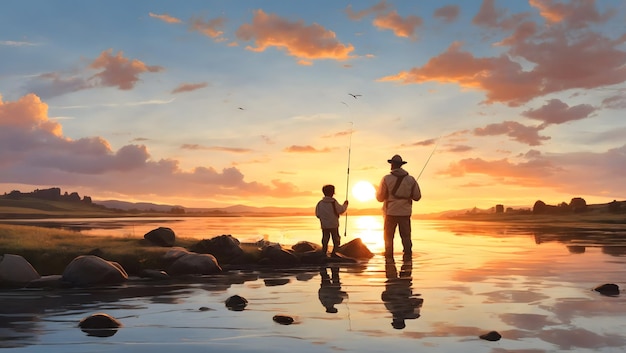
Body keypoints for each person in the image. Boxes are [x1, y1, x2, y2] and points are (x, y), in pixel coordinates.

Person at [376, 154, 421, 260]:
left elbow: (380, 198)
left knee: (388, 238)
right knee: (406, 237)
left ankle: (389, 259)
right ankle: (408, 260)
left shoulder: (386, 179)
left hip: (390, 213)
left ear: (392, 165)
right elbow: (417, 197)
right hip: (405, 213)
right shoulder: (411, 179)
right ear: (401, 165)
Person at [315, 184, 349, 256]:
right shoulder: (333, 202)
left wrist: (324, 219)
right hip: (334, 225)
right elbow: (341, 210)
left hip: (324, 225)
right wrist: (345, 205)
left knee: (325, 239)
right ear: (332, 193)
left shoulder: (320, 203)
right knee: (336, 240)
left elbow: (317, 214)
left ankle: (324, 253)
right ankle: (334, 254)